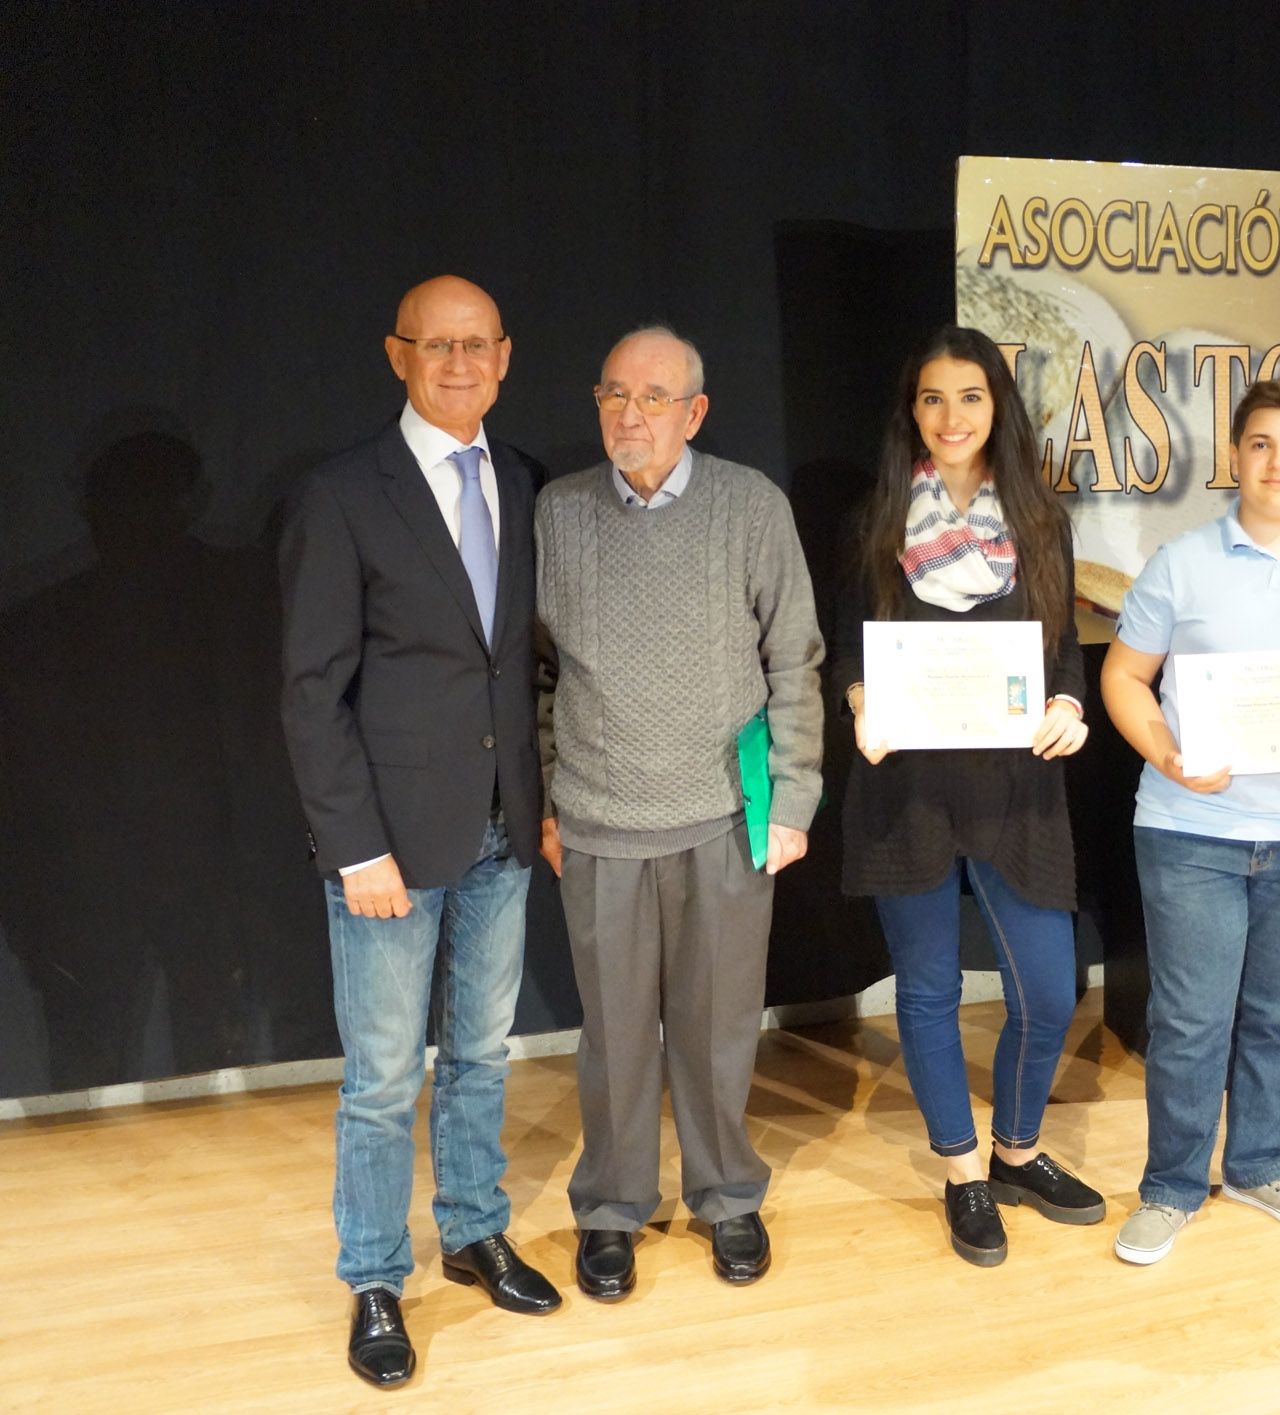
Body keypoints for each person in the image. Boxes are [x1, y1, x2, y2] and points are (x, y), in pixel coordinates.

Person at [279, 275, 561, 1390]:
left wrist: (538, 796)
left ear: (504, 355)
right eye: (435, 345)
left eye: (476, 345)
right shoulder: (341, 493)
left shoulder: (526, 484)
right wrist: (354, 849)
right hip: (389, 843)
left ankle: (475, 1225)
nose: (457, 363)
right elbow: (311, 690)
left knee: (485, 1051)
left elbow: (525, 664)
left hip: (502, 832)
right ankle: (375, 1276)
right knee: (385, 1073)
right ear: (398, 354)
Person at [535, 325, 824, 1298]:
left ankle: (727, 1194)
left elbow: (795, 659)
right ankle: (611, 1208)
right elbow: (532, 676)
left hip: (723, 817)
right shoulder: (555, 514)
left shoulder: (750, 506)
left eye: (652, 397)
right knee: (614, 1033)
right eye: (613, 393)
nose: (629, 414)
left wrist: (792, 794)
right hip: (600, 820)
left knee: (716, 1024)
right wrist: (545, 792)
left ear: (693, 412)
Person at [1101, 378, 1280, 1265]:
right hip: (1192, 829)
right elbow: (1123, 677)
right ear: (1236, 457)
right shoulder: (1181, 563)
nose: (1278, 461)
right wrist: (1165, 752)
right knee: (1190, 1017)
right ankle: (1172, 1184)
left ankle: (1262, 1162)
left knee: (1279, 1013)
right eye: (1261, 444)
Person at [825, 326, 1103, 1267]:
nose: (951, 418)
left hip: (1018, 784)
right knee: (932, 992)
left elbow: (1062, 647)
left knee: (1050, 990)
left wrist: (1068, 702)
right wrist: (860, 702)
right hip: (905, 784)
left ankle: (1018, 1151)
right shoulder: (873, 520)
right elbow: (852, 649)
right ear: (913, 408)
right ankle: (961, 1172)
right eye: (933, 398)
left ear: (998, 407)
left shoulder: (1038, 519)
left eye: (971, 398)